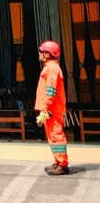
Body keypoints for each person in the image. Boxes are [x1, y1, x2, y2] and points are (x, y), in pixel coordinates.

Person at [35, 40, 69, 175]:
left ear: (47, 54)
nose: (39, 53)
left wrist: (45, 106)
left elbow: (51, 90)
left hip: (52, 108)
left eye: (41, 51)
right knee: (52, 135)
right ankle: (58, 161)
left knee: (56, 135)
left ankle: (63, 164)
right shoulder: (49, 67)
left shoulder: (53, 68)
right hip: (50, 108)